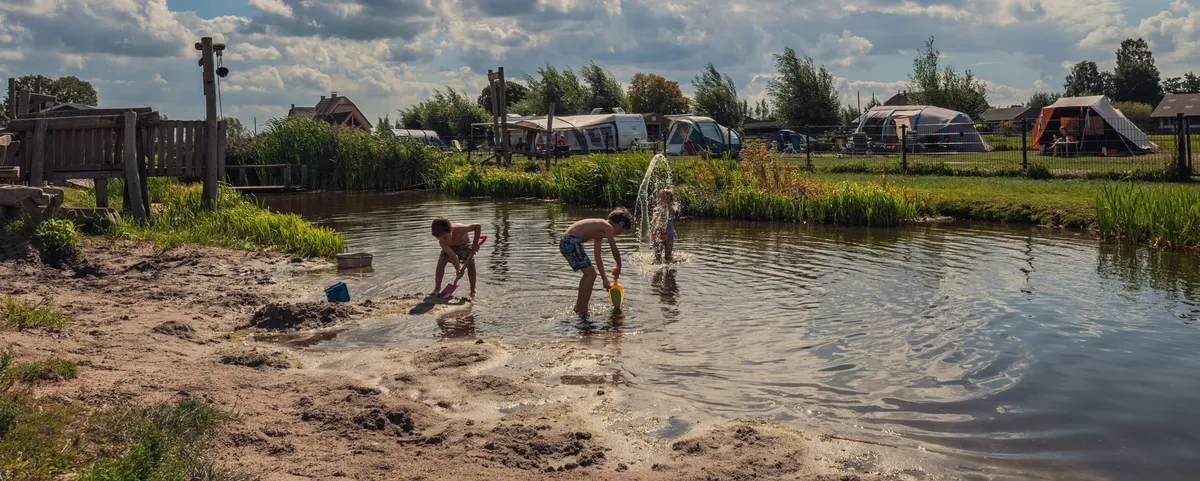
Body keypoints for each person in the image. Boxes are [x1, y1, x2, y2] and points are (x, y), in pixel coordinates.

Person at [559, 207, 631, 317]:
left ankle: (579, 307)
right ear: (620, 224)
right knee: (591, 274)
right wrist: (619, 265)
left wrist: (604, 280)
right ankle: (583, 309)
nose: (619, 234)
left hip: (567, 242)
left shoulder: (600, 231)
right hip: (571, 241)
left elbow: (598, 257)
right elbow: (614, 248)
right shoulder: (607, 227)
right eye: (621, 231)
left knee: (589, 274)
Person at [431, 217, 482, 298]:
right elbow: (452, 256)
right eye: (439, 239)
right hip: (450, 248)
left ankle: (473, 290)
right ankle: (437, 288)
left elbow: (477, 226)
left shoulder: (459, 229)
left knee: (471, 265)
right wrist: (458, 270)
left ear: (451, 229)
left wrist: (475, 243)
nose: (443, 240)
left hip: (463, 245)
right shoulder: (442, 242)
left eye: (445, 237)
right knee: (441, 262)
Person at [651, 189, 679, 264]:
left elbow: (673, 213)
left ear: (670, 199)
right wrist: (651, 232)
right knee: (657, 256)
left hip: (669, 234)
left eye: (666, 197)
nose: (664, 199)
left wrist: (668, 204)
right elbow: (653, 222)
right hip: (658, 233)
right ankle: (657, 270)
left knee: (668, 256)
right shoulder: (656, 209)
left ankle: (668, 271)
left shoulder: (673, 208)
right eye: (662, 197)